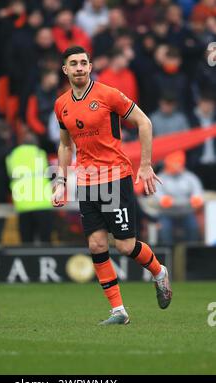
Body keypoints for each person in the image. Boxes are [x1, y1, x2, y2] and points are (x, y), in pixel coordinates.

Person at [52, 46, 172, 326]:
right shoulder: (61, 104)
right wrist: (61, 181)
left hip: (115, 177)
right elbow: (64, 144)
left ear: (90, 67)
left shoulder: (108, 94)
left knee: (125, 245)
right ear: (65, 70)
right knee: (95, 245)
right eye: (74, 63)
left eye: (84, 62)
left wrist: (144, 164)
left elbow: (144, 122)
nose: (79, 67)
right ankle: (118, 311)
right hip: (87, 182)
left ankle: (159, 272)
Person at [155, 150, 204, 245]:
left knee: (193, 228)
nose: (176, 165)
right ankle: (168, 253)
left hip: (186, 212)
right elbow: (157, 192)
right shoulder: (160, 177)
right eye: (174, 162)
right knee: (164, 230)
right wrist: (162, 199)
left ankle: (191, 253)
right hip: (167, 213)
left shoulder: (190, 177)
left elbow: (197, 190)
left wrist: (197, 197)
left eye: (178, 162)